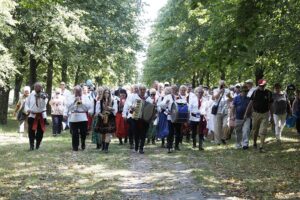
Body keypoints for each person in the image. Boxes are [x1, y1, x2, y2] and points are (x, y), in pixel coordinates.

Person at [245, 79, 273, 153]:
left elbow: (270, 105)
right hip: (256, 114)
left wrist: (272, 116)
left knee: (263, 130)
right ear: (258, 85)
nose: (262, 87)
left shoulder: (269, 93)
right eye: (260, 85)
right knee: (255, 130)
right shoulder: (255, 92)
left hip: (265, 114)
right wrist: (246, 113)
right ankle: (254, 142)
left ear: (265, 85)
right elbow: (250, 104)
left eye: (263, 85)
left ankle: (261, 146)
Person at [64, 86, 93, 151]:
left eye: (79, 91)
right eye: (76, 91)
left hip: (82, 117)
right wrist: (74, 101)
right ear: (74, 91)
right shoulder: (70, 97)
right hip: (73, 117)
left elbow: (87, 108)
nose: (77, 93)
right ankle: (75, 146)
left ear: (81, 91)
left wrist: (81, 102)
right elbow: (69, 107)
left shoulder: (85, 97)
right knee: (74, 133)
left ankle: (83, 142)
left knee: (83, 132)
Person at [123, 85, 150, 154]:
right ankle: (136, 147)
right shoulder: (134, 97)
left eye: (144, 89)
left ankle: (141, 148)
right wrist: (132, 107)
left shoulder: (148, 98)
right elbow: (128, 103)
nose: (142, 91)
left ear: (145, 90)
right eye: (141, 89)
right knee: (136, 133)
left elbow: (151, 108)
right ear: (139, 90)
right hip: (136, 117)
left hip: (145, 119)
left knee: (143, 134)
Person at [24, 82, 48, 150]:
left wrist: (42, 98)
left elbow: (43, 105)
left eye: (39, 87)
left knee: (40, 132)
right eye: (36, 87)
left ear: (41, 88)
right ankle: (31, 146)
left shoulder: (44, 95)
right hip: (32, 116)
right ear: (34, 88)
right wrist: (28, 109)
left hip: (42, 116)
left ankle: (37, 144)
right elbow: (26, 104)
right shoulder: (31, 95)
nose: (37, 88)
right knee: (31, 132)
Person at [95, 88, 116, 153]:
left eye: (108, 93)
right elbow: (97, 111)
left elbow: (116, 110)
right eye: (105, 93)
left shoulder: (113, 101)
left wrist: (111, 108)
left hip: (110, 119)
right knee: (103, 134)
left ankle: (106, 148)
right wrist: (102, 115)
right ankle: (103, 146)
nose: (107, 94)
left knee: (108, 133)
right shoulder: (99, 101)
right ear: (103, 93)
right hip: (102, 118)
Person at [212, 80, 230, 145]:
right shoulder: (215, 90)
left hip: (225, 110)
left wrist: (229, 96)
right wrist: (220, 92)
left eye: (223, 84)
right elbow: (214, 98)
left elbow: (231, 99)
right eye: (221, 84)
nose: (222, 86)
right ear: (218, 85)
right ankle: (217, 141)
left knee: (226, 125)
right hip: (218, 110)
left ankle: (223, 137)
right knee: (217, 126)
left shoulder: (227, 91)